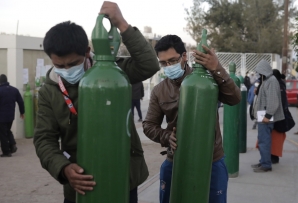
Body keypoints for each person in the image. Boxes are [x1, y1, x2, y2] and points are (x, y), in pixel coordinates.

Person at [33, 2, 160, 203]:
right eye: (60, 66)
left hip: (122, 175)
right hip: (82, 179)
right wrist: (63, 168)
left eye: (73, 64)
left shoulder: (113, 71)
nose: (67, 70)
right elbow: (44, 139)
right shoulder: (50, 90)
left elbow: (149, 65)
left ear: (86, 51)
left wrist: (121, 24)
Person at [142, 35, 241, 203]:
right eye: (163, 63)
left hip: (212, 161)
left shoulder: (208, 80)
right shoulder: (159, 90)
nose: (168, 66)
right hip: (175, 160)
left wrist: (217, 68)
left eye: (172, 61)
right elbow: (149, 125)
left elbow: (235, 98)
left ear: (184, 56)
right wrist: (167, 137)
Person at [251, 60, 284, 172]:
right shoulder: (267, 80)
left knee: (264, 141)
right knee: (262, 141)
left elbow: (273, 101)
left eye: (259, 71)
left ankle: (266, 164)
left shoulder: (271, 81)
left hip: (265, 118)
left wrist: (268, 116)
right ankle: (263, 162)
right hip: (263, 117)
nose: (258, 73)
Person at [0, 74, 24, 157]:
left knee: (3, 133)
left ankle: (6, 152)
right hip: (10, 116)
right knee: (7, 130)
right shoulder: (14, 90)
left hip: (1, 117)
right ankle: (12, 144)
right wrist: (22, 112)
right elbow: (20, 101)